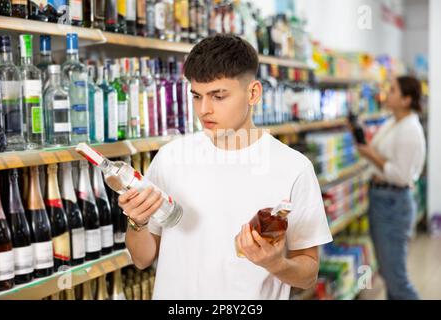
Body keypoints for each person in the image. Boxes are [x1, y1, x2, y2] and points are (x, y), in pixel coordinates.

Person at [118, 34, 333, 299]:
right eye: (197, 96)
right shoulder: (170, 158)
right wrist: (137, 222)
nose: (204, 109)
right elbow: (142, 259)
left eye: (218, 96)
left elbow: (308, 274)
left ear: (253, 93)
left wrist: (276, 263)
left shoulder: (293, 168)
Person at [355, 76, 426, 300]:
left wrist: (370, 155)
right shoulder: (393, 121)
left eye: (393, 90)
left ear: (406, 99)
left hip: (393, 202)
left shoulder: (409, 130)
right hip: (382, 198)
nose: (387, 93)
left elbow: (401, 175)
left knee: (396, 278)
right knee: (387, 272)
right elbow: (380, 150)